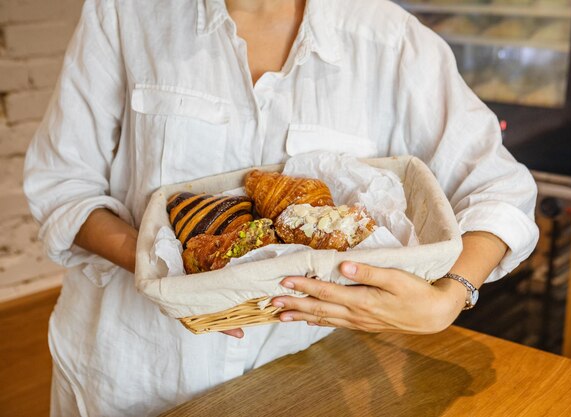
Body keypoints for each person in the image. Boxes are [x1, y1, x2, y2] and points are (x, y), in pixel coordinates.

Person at [23, 0, 539, 415]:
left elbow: (500, 192)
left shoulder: (392, 41)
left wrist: (450, 295)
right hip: (127, 370)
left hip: (300, 380)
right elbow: (64, 186)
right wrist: (174, 274)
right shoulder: (124, 13)